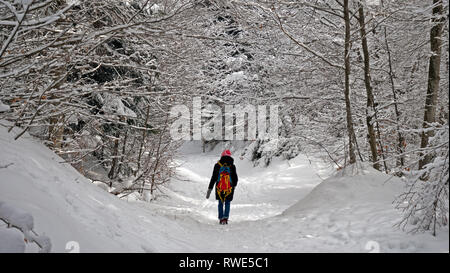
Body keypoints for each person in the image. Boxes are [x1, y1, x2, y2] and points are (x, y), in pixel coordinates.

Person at [206, 149, 238, 225]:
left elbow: (213, 178)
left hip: (219, 187)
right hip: (229, 187)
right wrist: (234, 186)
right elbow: (235, 178)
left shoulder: (217, 165)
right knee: (227, 202)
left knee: (220, 202)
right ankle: (226, 218)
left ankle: (221, 218)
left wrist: (209, 189)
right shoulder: (232, 166)